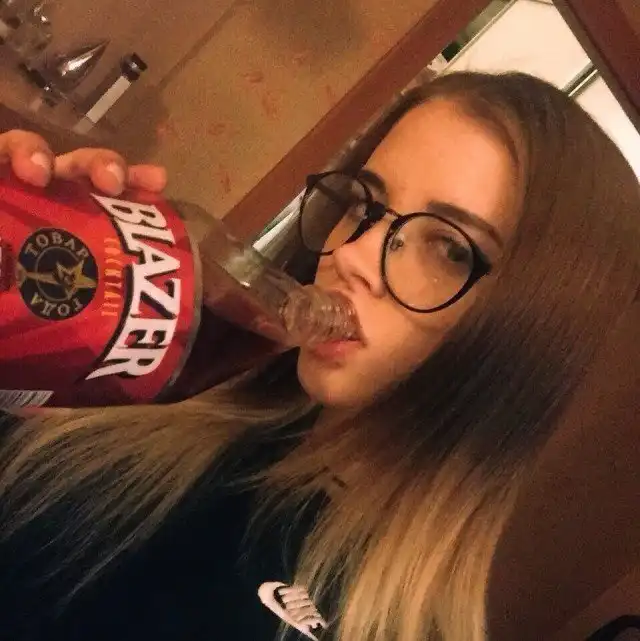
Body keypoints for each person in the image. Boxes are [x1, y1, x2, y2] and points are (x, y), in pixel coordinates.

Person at [0, 71, 638, 641]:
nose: (351, 255)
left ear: (529, 336)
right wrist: (34, 314)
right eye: (363, 205)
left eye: (448, 250)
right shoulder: (171, 402)